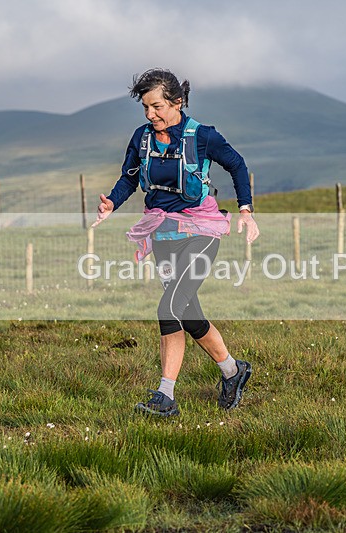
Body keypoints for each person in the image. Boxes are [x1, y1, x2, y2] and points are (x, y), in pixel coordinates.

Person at [93, 68, 260, 416]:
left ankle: (165, 397)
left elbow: (237, 164)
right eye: (145, 108)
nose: (150, 114)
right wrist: (112, 201)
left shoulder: (202, 136)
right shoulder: (142, 138)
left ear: (177, 102)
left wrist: (245, 209)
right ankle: (233, 370)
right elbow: (129, 177)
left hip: (201, 232)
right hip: (164, 234)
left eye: (156, 107)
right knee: (187, 313)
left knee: (169, 307)